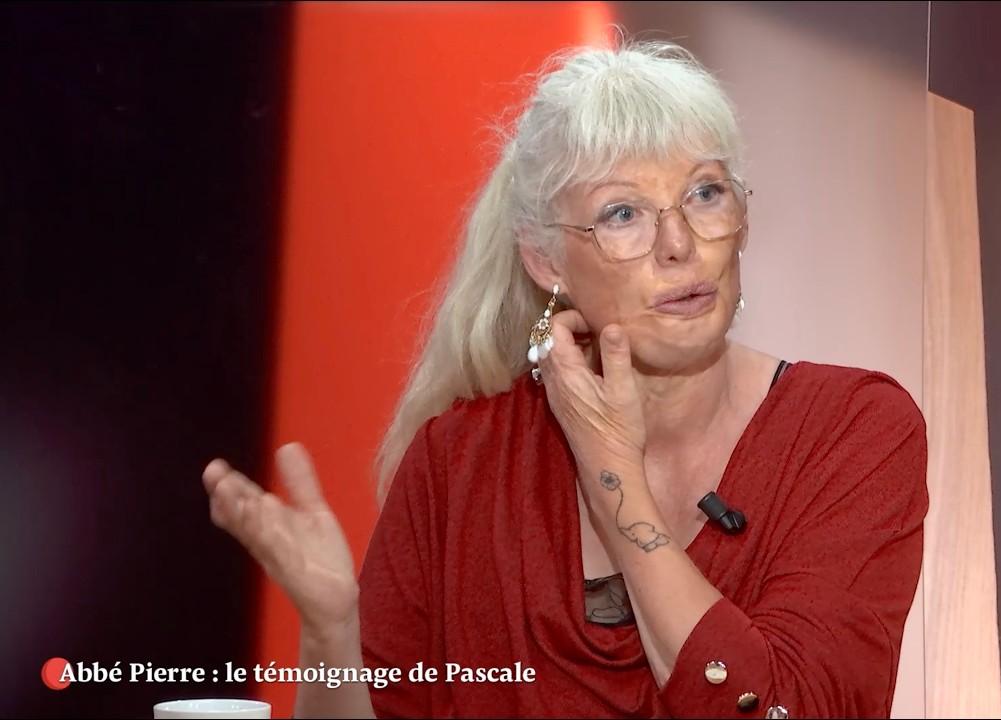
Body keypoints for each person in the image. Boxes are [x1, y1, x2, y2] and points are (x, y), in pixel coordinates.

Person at [201, 38, 928, 719]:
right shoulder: (457, 463)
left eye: (705, 194)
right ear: (546, 261)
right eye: (623, 213)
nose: (680, 245)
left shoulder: (855, 430)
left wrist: (614, 478)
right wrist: (332, 630)